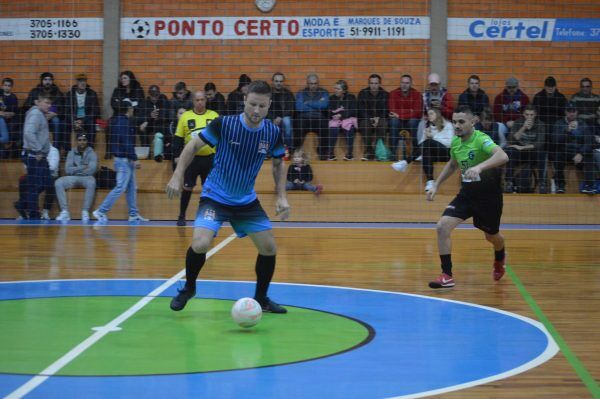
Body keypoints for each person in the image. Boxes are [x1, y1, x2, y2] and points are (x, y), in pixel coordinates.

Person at [165, 80, 290, 313]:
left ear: (269, 105)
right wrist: (177, 175)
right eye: (252, 104)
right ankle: (189, 287)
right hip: (215, 195)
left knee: (269, 248)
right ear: (245, 101)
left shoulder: (273, 132)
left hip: (246, 200)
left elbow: (278, 164)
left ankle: (261, 298)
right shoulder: (224, 124)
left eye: (262, 106)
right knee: (200, 244)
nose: (256, 111)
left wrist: (281, 196)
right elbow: (192, 147)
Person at [425, 105, 509, 289]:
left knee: (492, 236)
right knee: (442, 226)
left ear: (473, 122)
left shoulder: (481, 139)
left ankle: (500, 256)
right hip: (467, 194)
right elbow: (453, 164)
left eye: (461, 121)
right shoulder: (456, 142)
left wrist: (479, 167)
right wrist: (436, 185)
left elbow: (503, 156)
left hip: (489, 197)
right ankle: (447, 275)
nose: (457, 125)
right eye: (454, 121)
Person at [93, 99, 149, 222]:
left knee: (131, 187)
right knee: (120, 187)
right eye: (132, 108)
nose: (133, 110)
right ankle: (101, 211)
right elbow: (126, 142)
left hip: (123, 159)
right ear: (128, 109)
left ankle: (133, 214)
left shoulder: (117, 121)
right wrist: (134, 158)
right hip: (124, 160)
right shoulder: (123, 123)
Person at [172, 91, 219, 226]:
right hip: (191, 160)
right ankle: (181, 216)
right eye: (197, 100)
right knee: (187, 188)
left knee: (209, 189)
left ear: (206, 101)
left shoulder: (214, 116)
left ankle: (208, 217)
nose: (200, 102)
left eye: (202, 99)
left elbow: (222, 137)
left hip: (209, 159)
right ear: (193, 101)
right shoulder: (186, 116)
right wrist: (176, 156)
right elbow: (178, 138)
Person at [549, 102, 596, 194]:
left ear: (577, 112)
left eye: (573, 111)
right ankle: (560, 185)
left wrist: (581, 153)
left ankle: (589, 186)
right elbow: (554, 140)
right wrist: (567, 130)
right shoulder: (559, 123)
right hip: (563, 152)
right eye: (569, 111)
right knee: (556, 155)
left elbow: (589, 142)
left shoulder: (583, 124)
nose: (571, 113)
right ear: (565, 112)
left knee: (590, 155)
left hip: (578, 153)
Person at [21, 94, 53, 220]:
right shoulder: (35, 114)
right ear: (37, 102)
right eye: (46, 102)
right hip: (34, 155)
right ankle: (33, 214)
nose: (49, 105)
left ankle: (22, 203)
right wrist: (38, 150)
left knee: (47, 183)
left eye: (50, 103)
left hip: (40, 155)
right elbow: (29, 133)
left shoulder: (40, 114)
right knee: (35, 185)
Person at [55, 132, 98, 222]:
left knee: (92, 182)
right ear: (76, 141)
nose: (82, 142)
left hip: (87, 177)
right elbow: (67, 169)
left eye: (84, 140)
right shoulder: (71, 152)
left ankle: (85, 211)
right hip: (73, 177)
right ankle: (64, 212)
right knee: (58, 182)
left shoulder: (92, 153)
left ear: (87, 141)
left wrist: (75, 169)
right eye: (79, 140)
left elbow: (92, 170)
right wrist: (83, 167)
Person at [504, 105, 547, 194]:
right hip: (520, 154)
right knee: (510, 151)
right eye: (527, 114)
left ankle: (542, 183)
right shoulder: (518, 122)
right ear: (523, 114)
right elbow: (511, 139)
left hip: (533, 153)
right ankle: (509, 182)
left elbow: (540, 143)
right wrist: (523, 128)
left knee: (542, 153)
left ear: (535, 115)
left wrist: (523, 147)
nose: (529, 117)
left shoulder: (541, 124)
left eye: (532, 115)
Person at [24, 72, 66, 153]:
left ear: (52, 81)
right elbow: (27, 105)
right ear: (41, 81)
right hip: (38, 115)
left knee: (56, 121)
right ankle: (35, 148)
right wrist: (40, 111)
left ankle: (56, 148)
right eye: (45, 79)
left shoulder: (57, 92)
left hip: (53, 116)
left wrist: (55, 113)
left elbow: (63, 108)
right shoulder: (35, 91)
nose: (47, 82)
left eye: (49, 80)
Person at [415, 108, 454, 192]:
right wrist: (426, 136)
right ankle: (430, 181)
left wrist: (433, 137)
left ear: (437, 114)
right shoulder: (428, 127)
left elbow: (450, 143)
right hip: (435, 155)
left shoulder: (448, 125)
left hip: (447, 153)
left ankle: (407, 160)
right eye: (428, 114)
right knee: (426, 152)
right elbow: (422, 143)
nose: (429, 116)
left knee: (429, 142)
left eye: (432, 113)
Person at [388, 74, 422, 165]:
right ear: (400, 83)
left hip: (410, 122)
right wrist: (409, 112)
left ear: (411, 84)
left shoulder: (417, 94)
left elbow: (417, 112)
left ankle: (416, 152)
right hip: (398, 122)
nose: (404, 85)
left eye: (407, 83)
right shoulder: (393, 93)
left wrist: (399, 115)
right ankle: (393, 153)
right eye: (402, 82)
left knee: (414, 122)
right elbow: (392, 111)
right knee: (393, 121)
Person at [108, 71, 144, 158]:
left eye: (125, 78)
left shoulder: (138, 90)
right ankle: (109, 151)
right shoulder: (117, 90)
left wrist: (122, 103)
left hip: (134, 115)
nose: (122, 80)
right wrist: (127, 106)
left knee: (129, 124)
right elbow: (113, 104)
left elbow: (141, 105)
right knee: (110, 124)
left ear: (130, 79)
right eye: (121, 78)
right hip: (119, 115)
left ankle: (130, 152)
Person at [294, 73, 329, 158]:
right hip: (304, 119)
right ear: (307, 84)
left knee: (325, 126)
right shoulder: (301, 93)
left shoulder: (323, 92)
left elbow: (324, 105)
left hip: (319, 119)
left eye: (315, 83)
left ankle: (322, 152)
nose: (313, 85)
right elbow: (299, 107)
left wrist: (308, 103)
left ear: (318, 83)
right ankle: (297, 151)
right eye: (311, 83)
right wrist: (317, 106)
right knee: (297, 125)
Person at [357, 74, 389, 161]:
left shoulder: (385, 95)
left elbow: (386, 110)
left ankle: (380, 151)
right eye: (371, 83)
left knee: (383, 124)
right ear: (369, 84)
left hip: (380, 119)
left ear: (379, 84)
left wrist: (379, 118)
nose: (373, 85)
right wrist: (370, 119)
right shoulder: (363, 93)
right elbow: (360, 109)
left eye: (376, 83)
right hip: (367, 119)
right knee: (365, 124)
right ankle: (368, 151)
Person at [64, 73, 101, 146]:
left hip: (86, 119)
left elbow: (96, 111)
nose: (83, 83)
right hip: (74, 119)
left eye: (84, 81)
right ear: (77, 82)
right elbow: (67, 111)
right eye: (80, 81)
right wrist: (74, 121)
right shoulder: (70, 94)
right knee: (65, 124)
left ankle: (90, 148)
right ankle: (67, 150)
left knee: (91, 124)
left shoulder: (92, 93)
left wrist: (83, 121)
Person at [327, 80, 358, 161]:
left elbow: (353, 110)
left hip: (347, 120)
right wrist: (334, 115)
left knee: (350, 129)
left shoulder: (351, 98)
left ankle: (349, 154)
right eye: (335, 88)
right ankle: (330, 153)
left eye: (338, 89)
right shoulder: (332, 98)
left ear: (344, 90)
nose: (335, 90)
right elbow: (329, 111)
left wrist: (341, 115)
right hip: (335, 120)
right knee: (333, 128)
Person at [269, 72, 295, 153]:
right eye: (276, 81)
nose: (278, 83)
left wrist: (281, 117)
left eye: (280, 81)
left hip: (284, 117)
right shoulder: (267, 94)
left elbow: (291, 108)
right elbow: (265, 108)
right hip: (271, 117)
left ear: (283, 82)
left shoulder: (288, 94)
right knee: (266, 123)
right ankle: (267, 151)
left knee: (287, 121)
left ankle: (289, 148)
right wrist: (273, 118)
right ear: (273, 82)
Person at [0, 77, 19, 157]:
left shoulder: (13, 97)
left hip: (10, 118)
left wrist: (8, 114)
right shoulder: (0, 96)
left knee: (13, 126)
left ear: (11, 87)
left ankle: (8, 150)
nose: (7, 87)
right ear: (2, 86)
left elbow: (15, 111)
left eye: (9, 85)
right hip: (1, 118)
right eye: (5, 85)